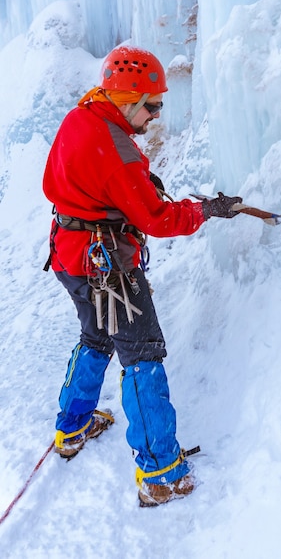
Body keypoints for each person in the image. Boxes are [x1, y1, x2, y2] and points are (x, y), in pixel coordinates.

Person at [42, 44, 242, 507]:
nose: (155, 115)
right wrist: (206, 210)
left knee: (95, 337)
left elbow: (65, 179)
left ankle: (71, 427)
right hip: (108, 270)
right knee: (141, 355)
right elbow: (158, 219)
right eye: (151, 105)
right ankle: (161, 473)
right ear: (128, 98)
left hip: (69, 256)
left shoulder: (82, 116)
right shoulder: (118, 152)